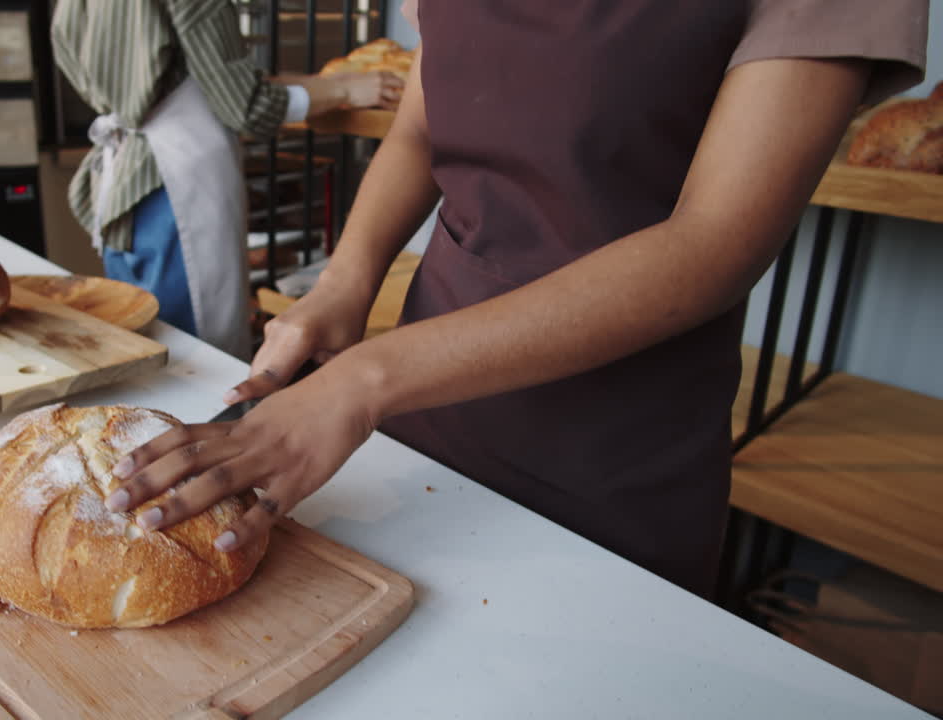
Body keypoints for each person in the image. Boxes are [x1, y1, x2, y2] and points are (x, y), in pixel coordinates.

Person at [102, 1, 928, 597]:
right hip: (423, 418)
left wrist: (363, 380)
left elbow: (714, 243)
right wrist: (348, 280)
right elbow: (425, 129)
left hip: (614, 450)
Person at [50, 0, 403, 359]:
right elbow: (245, 106)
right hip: (176, 187)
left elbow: (193, 77)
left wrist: (327, 83)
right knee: (198, 360)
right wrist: (346, 91)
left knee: (144, 348)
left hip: (128, 186)